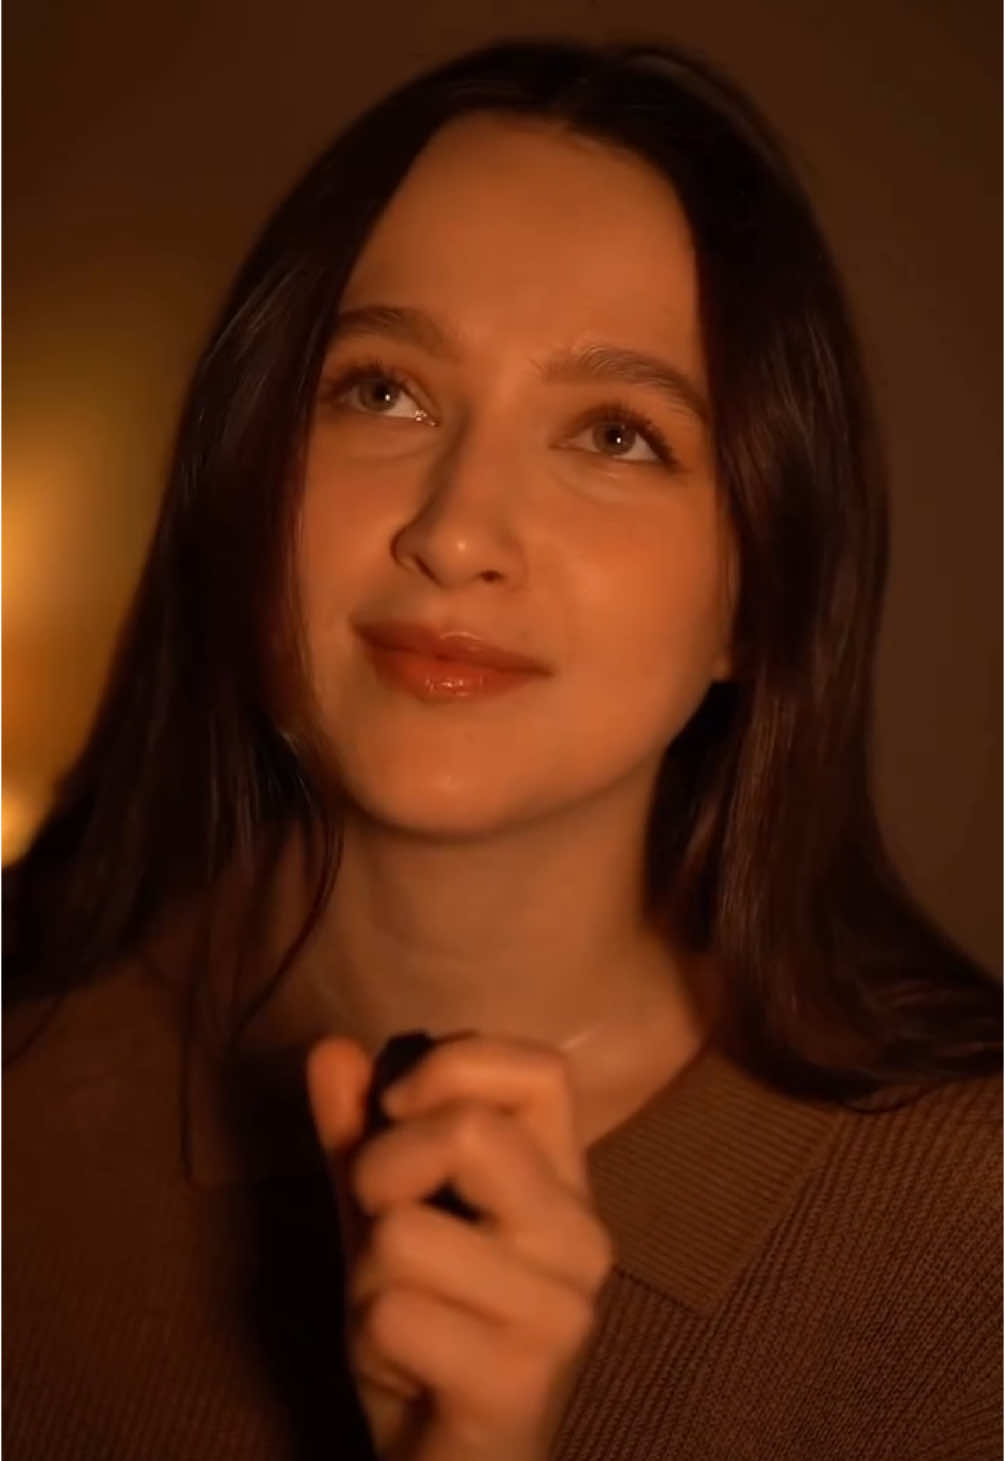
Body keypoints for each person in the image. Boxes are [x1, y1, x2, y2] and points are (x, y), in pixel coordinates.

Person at [4, 34, 1001, 1461]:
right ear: (246, 470)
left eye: (616, 434)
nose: (458, 531)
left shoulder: (970, 1246)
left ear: (759, 594)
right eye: (383, 391)